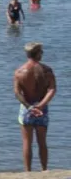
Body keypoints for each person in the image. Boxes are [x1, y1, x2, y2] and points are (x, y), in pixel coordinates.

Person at [14, 42, 57, 172]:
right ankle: (44, 169)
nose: (42, 54)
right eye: (41, 52)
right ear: (38, 54)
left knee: (27, 142)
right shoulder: (47, 70)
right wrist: (41, 105)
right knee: (42, 141)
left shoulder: (19, 72)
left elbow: (17, 93)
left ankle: (28, 171)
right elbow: (52, 89)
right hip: (41, 108)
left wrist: (29, 107)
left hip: (26, 109)